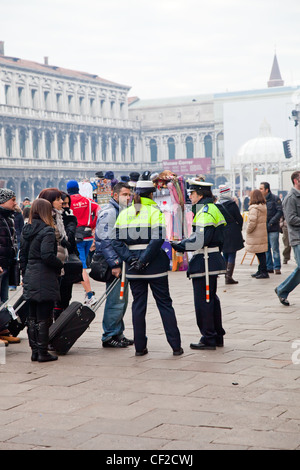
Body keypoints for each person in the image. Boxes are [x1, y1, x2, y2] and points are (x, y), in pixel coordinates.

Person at [112, 179, 183, 357]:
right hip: (155, 266)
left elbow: (116, 242)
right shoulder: (154, 211)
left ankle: (139, 347)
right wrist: (144, 260)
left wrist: (132, 260)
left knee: (138, 306)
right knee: (165, 304)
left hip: (134, 268)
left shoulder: (125, 213)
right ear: (152, 194)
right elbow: (158, 239)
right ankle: (175, 346)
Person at [171, 179, 226, 350]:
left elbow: (202, 239)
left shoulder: (205, 212)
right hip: (210, 258)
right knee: (211, 299)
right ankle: (216, 335)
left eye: (192, 194)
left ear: (200, 194)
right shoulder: (211, 209)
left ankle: (208, 337)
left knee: (204, 301)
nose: (190, 197)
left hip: (206, 261)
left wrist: (180, 245)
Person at [19, 199, 63, 362]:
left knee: (32, 316)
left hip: (30, 273)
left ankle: (34, 351)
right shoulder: (47, 231)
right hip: (44, 275)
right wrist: (60, 265)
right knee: (44, 315)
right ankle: (42, 352)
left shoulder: (26, 229)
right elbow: (47, 256)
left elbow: (22, 256)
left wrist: (25, 274)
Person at [95, 182, 133, 348]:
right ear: (115, 195)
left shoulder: (121, 211)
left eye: (129, 194)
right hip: (115, 262)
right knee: (116, 300)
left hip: (121, 260)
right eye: (125, 194)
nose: (128, 197)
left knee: (122, 299)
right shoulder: (110, 212)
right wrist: (115, 263)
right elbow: (105, 240)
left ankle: (118, 333)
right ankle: (109, 335)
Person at [67, 180, 99, 306]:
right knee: (82, 262)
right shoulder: (87, 200)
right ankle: (84, 287)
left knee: (82, 267)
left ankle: (90, 294)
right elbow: (98, 209)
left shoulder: (67, 201)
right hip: (88, 235)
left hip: (76, 236)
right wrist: (93, 224)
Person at [275, 171, 300, 306]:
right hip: (297, 238)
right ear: (296, 181)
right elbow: (290, 219)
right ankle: (282, 290)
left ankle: (282, 290)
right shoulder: (291, 198)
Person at [0, 188, 21, 344]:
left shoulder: (9, 217)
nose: (15, 202)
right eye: (12, 200)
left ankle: (2, 330)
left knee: (4, 299)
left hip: (7, 263)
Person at [217, 184, 244, 284]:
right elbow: (239, 219)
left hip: (222, 231)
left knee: (225, 253)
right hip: (233, 231)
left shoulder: (217, 205)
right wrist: (239, 228)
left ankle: (225, 274)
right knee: (232, 253)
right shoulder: (232, 204)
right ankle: (228, 276)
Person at [259, 182, 283, 274]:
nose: (260, 190)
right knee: (266, 249)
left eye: (261, 189)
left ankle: (277, 267)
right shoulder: (261, 200)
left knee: (275, 248)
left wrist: (272, 222)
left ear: (266, 190)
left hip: (273, 228)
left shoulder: (275, 199)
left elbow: (280, 212)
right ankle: (269, 267)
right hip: (264, 228)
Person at [246, 189, 269, 279]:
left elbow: (252, 222)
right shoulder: (262, 207)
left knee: (260, 254)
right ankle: (261, 270)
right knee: (260, 253)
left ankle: (263, 271)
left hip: (256, 234)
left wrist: (247, 231)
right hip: (261, 233)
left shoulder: (254, 208)